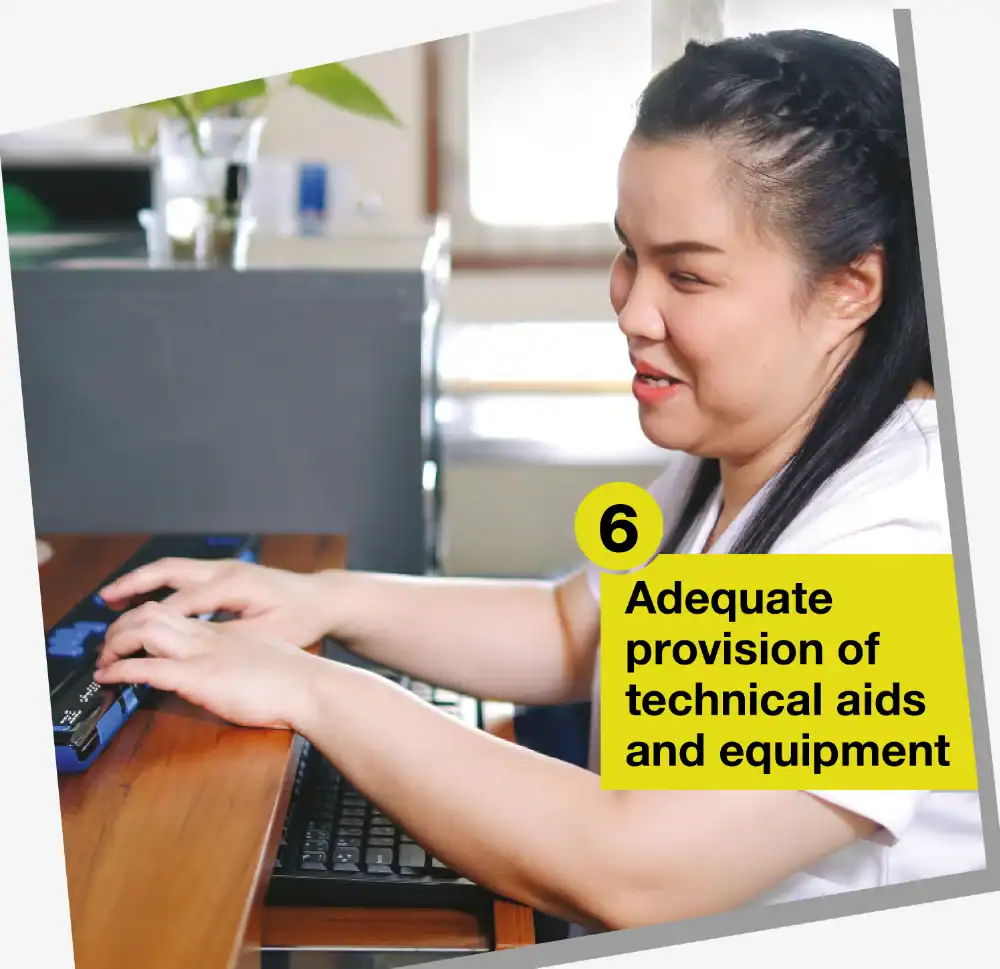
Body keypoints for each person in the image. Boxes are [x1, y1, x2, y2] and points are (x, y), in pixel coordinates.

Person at [93, 29, 984, 935]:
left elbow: (632, 868)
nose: (633, 308)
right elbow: (575, 628)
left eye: (687, 274)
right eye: (629, 253)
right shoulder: (752, 444)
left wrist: (316, 690)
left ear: (851, 287)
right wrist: (319, 600)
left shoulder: (903, 536)